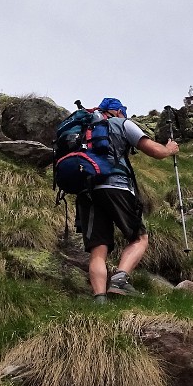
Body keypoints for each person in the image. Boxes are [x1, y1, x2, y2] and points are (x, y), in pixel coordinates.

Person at [76, 97, 179, 303]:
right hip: (117, 186)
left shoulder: (83, 129)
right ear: (118, 112)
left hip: (87, 192)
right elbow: (154, 151)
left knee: (98, 249)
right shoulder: (121, 124)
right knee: (139, 238)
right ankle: (120, 279)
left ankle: (99, 300)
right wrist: (169, 149)